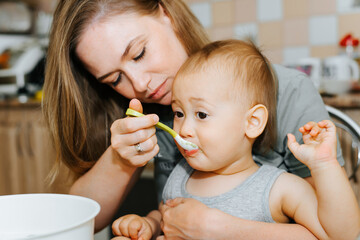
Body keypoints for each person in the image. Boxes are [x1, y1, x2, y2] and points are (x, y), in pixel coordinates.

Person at [43, 0, 351, 238]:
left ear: (166, 14)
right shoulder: (151, 115)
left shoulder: (289, 96)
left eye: (138, 53)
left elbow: (336, 232)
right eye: (114, 79)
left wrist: (218, 229)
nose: (138, 84)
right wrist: (144, 216)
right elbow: (83, 219)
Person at [111, 40, 360, 240]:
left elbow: (340, 235)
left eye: (201, 114)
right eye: (179, 113)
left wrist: (324, 165)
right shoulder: (181, 173)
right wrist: (148, 225)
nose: (184, 128)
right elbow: (168, 216)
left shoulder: (279, 188)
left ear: (252, 123)